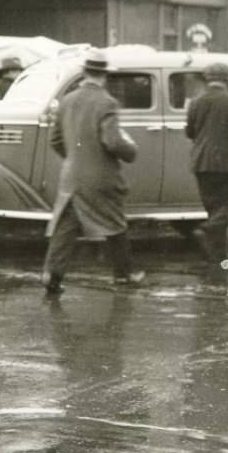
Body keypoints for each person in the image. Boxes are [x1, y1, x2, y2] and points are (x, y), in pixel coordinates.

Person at [41, 52, 144, 295]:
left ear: (85, 73)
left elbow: (55, 139)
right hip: (101, 177)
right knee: (115, 223)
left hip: (71, 176)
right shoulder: (107, 102)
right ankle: (124, 275)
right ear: (104, 76)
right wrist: (131, 151)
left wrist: (76, 158)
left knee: (67, 225)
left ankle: (51, 274)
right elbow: (112, 141)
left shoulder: (67, 100)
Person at [184, 62, 228, 263]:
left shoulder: (196, 102)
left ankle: (217, 256)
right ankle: (207, 229)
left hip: (202, 162)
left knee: (213, 208)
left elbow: (190, 132)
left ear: (208, 79)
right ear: (227, 79)